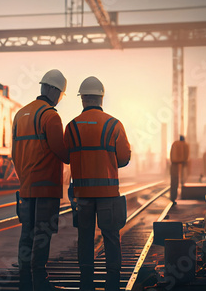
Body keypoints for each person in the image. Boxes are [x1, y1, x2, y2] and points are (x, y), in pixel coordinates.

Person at [64, 76, 131, 291]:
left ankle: (86, 283)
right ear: (101, 98)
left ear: (82, 99)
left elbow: (66, 156)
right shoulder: (114, 124)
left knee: (84, 237)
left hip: (82, 194)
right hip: (108, 193)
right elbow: (124, 158)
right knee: (111, 236)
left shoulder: (72, 126)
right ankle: (112, 283)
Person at [12, 69, 70, 290]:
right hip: (46, 188)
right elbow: (62, 152)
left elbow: (14, 153)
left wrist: (24, 178)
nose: (59, 99)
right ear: (54, 91)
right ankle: (40, 280)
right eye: (61, 94)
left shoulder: (20, 114)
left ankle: (25, 280)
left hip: (26, 187)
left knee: (26, 232)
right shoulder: (50, 116)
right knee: (42, 234)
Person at [169, 135, 189, 203]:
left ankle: (173, 198)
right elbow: (186, 156)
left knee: (174, 182)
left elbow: (171, 155)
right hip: (182, 164)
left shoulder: (174, 144)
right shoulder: (185, 145)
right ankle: (180, 195)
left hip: (174, 165)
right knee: (182, 181)